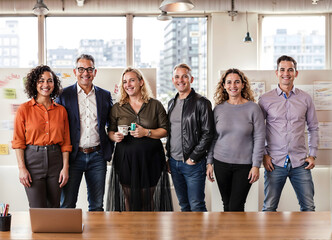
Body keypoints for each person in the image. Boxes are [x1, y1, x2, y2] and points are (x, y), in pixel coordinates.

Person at [106, 67, 172, 211]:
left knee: (147, 201)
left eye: (132, 80)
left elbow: (165, 130)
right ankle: (131, 232)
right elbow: (110, 132)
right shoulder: (118, 107)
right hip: (126, 159)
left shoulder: (155, 105)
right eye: (125, 82)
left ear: (141, 82)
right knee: (130, 200)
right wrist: (114, 136)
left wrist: (146, 132)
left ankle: (149, 233)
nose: (128, 84)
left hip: (151, 159)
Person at [258, 55, 319, 211]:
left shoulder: (305, 98)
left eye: (290, 70)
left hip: (300, 163)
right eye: (282, 69)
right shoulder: (265, 99)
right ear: (276, 72)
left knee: (309, 207)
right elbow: (259, 130)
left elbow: (313, 127)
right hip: (274, 163)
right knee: (269, 208)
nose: (286, 73)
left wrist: (312, 154)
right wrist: (264, 154)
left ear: (296, 73)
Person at [56, 54, 114, 211]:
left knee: (96, 206)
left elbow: (111, 123)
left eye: (89, 69)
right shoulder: (63, 95)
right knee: (67, 205)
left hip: (97, 157)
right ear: (75, 71)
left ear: (95, 72)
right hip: (73, 157)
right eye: (81, 69)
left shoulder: (105, 95)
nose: (85, 73)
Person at [12, 65, 72, 208]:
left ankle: (54, 231)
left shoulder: (61, 111)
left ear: (54, 84)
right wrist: (22, 168)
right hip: (32, 160)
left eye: (49, 80)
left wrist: (65, 168)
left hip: (55, 160)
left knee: (54, 207)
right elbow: (18, 142)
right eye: (41, 81)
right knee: (37, 207)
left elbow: (66, 142)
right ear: (34, 84)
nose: (46, 84)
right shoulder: (24, 109)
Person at [206, 68, 265, 211]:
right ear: (224, 86)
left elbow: (259, 138)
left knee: (236, 206)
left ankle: (237, 234)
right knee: (226, 204)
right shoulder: (218, 109)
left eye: (237, 82)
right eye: (229, 82)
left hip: (244, 165)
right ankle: (230, 234)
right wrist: (209, 162)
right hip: (221, 164)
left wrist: (256, 165)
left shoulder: (253, 108)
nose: (233, 86)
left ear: (243, 85)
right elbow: (213, 138)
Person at [166, 63, 214, 212]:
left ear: (191, 79)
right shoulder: (171, 103)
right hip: (174, 163)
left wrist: (193, 157)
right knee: (183, 205)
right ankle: (186, 236)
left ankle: (200, 236)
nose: (180, 80)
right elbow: (171, 133)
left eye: (184, 76)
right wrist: (169, 157)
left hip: (193, 164)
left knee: (197, 205)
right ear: (173, 80)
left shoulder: (202, 102)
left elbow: (208, 133)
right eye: (177, 77)